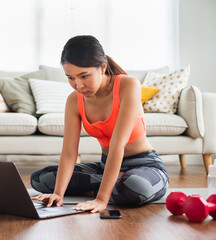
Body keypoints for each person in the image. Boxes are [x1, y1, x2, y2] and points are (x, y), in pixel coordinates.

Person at [31, 35, 169, 213]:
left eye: (84, 76)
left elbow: (117, 146)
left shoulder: (128, 86)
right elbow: (68, 154)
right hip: (105, 166)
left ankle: (111, 185)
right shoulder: (74, 100)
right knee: (41, 178)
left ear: (102, 67)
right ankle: (114, 182)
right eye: (70, 78)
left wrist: (102, 199)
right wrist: (58, 193)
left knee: (136, 187)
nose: (78, 85)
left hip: (144, 165)